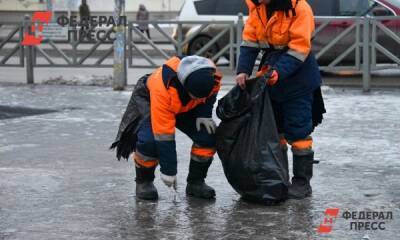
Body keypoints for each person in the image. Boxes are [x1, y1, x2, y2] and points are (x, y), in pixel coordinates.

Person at [236, 0, 325, 199]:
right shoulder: (258, 8)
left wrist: (279, 71)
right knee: (276, 131)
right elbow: (250, 42)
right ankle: (280, 177)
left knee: (298, 130)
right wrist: (243, 70)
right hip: (271, 77)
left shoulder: (300, 8)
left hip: (298, 79)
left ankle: (302, 183)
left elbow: (300, 48)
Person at [111, 56, 222, 201]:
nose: (199, 100)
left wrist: (204, 114)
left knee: (207, 136)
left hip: (183, 105)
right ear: (186, 87)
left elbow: (210, 96)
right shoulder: (162, 88)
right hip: (151, 100)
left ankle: (196, 183)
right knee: (150, 141)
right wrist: (169, 171)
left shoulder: (210, 77)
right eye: (196, 96)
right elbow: (164, 136)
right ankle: (144, 182)